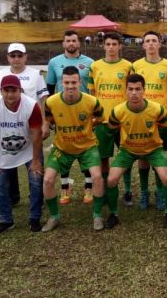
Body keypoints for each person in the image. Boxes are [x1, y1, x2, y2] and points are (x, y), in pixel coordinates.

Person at [105, 73, 167, 228]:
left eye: (138, 89)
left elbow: (165, 126)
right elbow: (112, 128)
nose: (134, 93)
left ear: (144, 90)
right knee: (111, 180)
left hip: (153, 149)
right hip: (128, 150)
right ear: (125, 90)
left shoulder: (157, 109)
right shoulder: (117, 111)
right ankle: (113, 214)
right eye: (130, 89)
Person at [41, 66, 106, 232]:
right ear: (61, 83)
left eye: (74, 82)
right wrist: (46, 127)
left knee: (97, 177)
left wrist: (89, 125)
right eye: (67, 82)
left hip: (87, 147)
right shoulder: (51, 102)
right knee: (47, 180)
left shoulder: (91, 101)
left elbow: (100, 118)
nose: (70, 86)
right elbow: (48, 119)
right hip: (62, 148)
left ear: (80, 82)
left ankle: (97, 215)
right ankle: (54, 217)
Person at [0, 43, 49, 207]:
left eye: (19, 55)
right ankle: (12, 197)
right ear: (8, 57)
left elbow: (43, 100)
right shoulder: (0, 75)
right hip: (7, 127)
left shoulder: (35, 74)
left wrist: (45, 123)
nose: (16, 59)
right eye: (13, 55)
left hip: (31, 128)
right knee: (8, 164)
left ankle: (36, 199)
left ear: (25, 57)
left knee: (35, 163)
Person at [0, 75, 44, 234]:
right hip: (3, 150)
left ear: (20, 90)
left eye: (13, 90)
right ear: (0, 91)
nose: (10, 94)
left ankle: (35, 218)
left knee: (36, 179)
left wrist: (36, 161)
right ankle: (6, 220)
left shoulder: (31, 106)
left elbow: (37, 135)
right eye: (6, 90)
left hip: (29, 149)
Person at [46, 30, 94, 205]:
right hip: (62, 114)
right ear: (63, 43)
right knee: (63, 149)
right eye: (68, 40)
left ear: (79, 43)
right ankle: (65, 188)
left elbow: (93, 88)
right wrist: (50, 116)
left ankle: (89, 187)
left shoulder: (90, 63)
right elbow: (50, 89)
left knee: (87, 150)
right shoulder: (54, 62)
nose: (71, 43)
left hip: (84, 114)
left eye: (74, 40)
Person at [87, 32, 134, 207]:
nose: (111, 47)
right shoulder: (95, 66)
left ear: (120, 46)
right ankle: (106, 190)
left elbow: (132, 91)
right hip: (102, 121)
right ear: (103, 46)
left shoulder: (128, 66)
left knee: (126, 157)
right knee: (103, 158)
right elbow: (92, 93)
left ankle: (127, 191)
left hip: (122, 121)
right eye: (108, 44)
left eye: (115, 44)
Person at [131, 30, 167, 211]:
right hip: (141, 118)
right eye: (147, 41)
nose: (151, 43)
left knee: (159, 156)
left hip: (161, 119)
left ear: (159, 44)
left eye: (154, 40)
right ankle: (144, 192)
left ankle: (159, 192)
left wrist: (162, 110)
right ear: (143, 44)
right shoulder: (136, 65)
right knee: (143, 157)